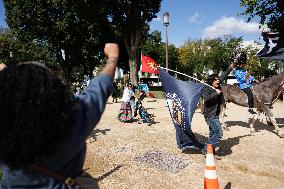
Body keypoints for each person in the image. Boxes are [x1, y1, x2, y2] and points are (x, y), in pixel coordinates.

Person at [0, 43, 119, 188]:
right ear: (53, 92)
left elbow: (14, 92)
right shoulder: (73, 119)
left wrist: (8, 79)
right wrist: (113, 56)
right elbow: (101, 85)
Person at [201, 63, 237, 155]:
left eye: (218, 80)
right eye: (216, 80)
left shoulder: (217, 84)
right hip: (210, 115)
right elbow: (207, 99)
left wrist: (231, 67)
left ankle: (210, 151)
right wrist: (216, 93)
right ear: (211, 81)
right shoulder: (207, 88)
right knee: (219, 133)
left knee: (213, 134)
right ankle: (206, 149)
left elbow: (223, 75)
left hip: (215, 115)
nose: (218, 82)